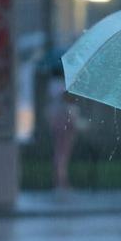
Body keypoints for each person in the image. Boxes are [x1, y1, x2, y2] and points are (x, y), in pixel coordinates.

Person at [47, 60, 85, 192]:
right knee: (62, 154)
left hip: (60, 122)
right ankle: (61, 181)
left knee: (61, 153)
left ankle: (60, 180)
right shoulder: (59, 86)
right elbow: (67, 98)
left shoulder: (53, 86)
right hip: (64, 122)